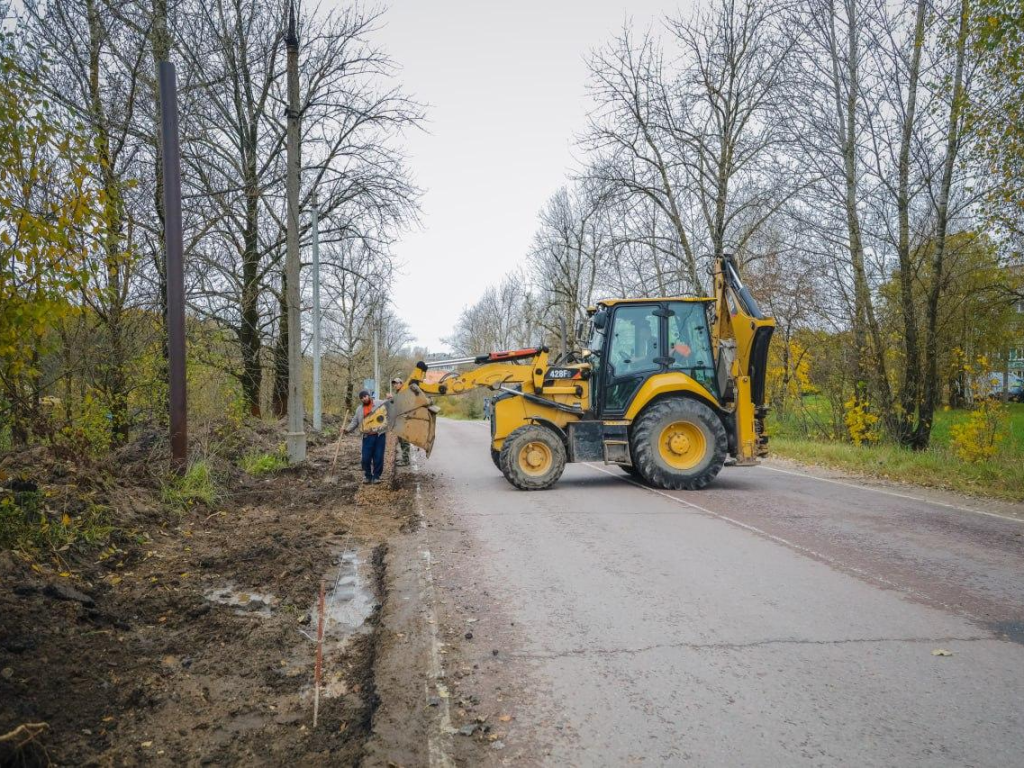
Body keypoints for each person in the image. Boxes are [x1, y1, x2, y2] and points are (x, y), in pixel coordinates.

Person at [344, 389, 386, 484]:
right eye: (362, 398)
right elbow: (355, 421)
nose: (364, 398)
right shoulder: (359, 409)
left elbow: (389, 403)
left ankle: (376, 476)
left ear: (369, 396)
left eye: (365, 396)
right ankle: (367, 475)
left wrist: (390, 399)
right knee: (365, 458)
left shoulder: (378, 403)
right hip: (367, 436)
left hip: (379, 435)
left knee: (378, 457)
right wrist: (347, 430)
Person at [389, 377, 411, 466]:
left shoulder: (404, 391)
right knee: (401, 440)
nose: (395, 385)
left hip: (405, 420)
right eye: (394, 383)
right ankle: (404, 458)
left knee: (404, 441)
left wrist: (392, 398)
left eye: (397, 383)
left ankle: (406, 460)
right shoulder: (398, 392)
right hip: (400, 420)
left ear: (401, 383)